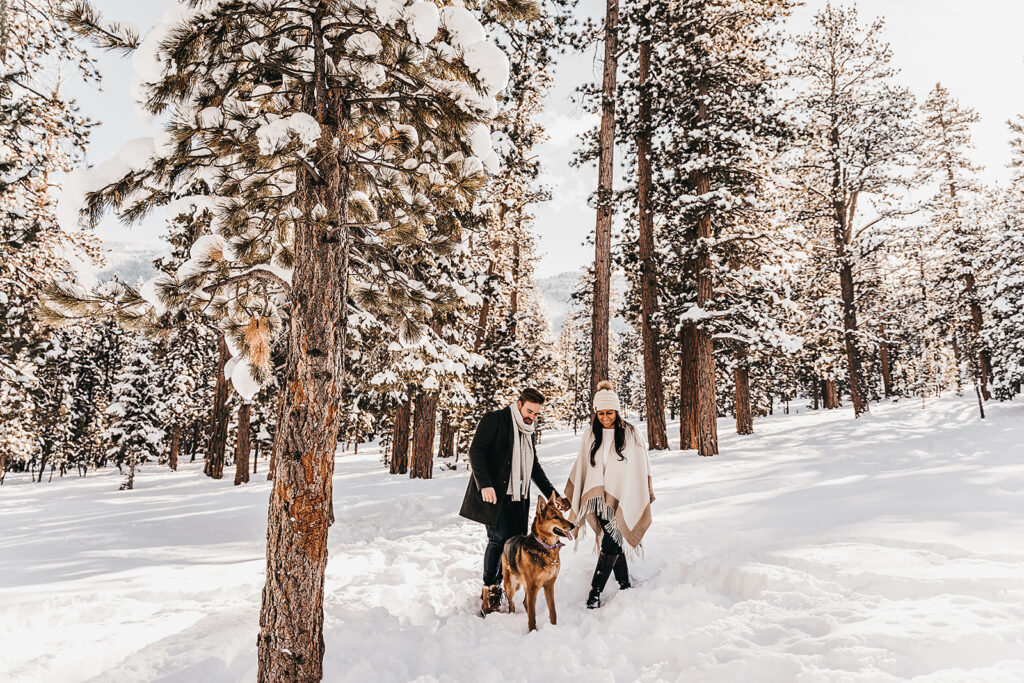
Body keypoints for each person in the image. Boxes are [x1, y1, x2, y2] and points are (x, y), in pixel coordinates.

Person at [459, 388, 570, 616]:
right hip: (495, 495)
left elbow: (534, 467)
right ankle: (491, 589)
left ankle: (510, 585)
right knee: (498, 540)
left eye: (536, 414)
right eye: (529, 411)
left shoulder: (527, 430)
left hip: (519, 498)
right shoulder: (495, 420)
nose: (531, 417)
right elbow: (476, 451)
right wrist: (485, 484)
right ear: (519, 404)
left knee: (514, 543)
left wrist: (553, 495)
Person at [565, 380, 655, 609]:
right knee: (613, 541)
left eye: (610, 412)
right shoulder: (590, 435)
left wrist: (644, 490)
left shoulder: (631, 433)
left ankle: (595, 592)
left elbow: (641, 466)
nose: (606, 417)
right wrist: (573, 494)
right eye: (601, 413)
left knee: (611, 542)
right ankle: (624, 584)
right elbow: (582, 466)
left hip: (622, 497)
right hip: (599, 502)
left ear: (617, 411)